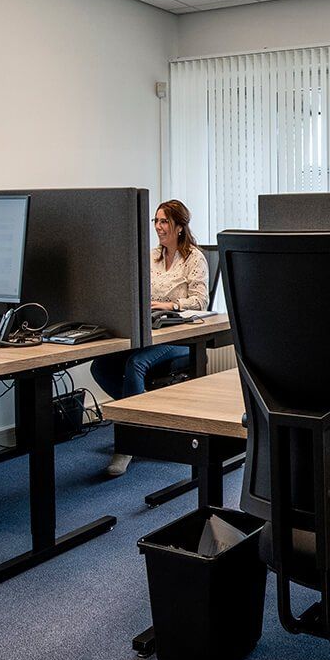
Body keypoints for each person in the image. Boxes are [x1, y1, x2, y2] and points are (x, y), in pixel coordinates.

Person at [92, 198, 210, 477]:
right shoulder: (152, 256)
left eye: (164, 221)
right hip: (150, 331)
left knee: (136, 364)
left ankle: (128, 443)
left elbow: (201, 301)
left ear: (179, 227)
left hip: (181, 337)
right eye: (156, 221)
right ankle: (146, 419)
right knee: (101, 366)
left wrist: (169, 305)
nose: (158, 226)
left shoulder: (194, 258)